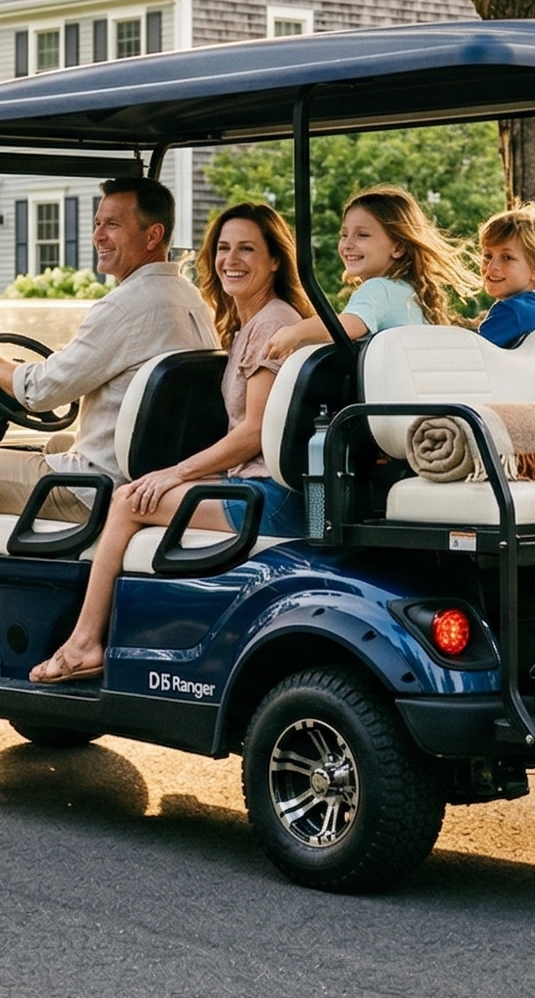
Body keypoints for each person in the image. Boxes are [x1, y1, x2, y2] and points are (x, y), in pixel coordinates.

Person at [0, 176, 212, 674]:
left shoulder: (123, 307)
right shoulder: (187, 297)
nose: (99, 235)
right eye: (97, 224)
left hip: (94, 488)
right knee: (57, 439)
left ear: (153, 235)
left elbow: (41, 389)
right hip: (143, 469)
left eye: (113, 225)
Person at [27, 203, 317, 685]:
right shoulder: (256, 322)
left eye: (247, 249)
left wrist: (177, 473)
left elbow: (252, 433)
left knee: (125, 499)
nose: (232, 260)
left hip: (267, 500)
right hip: (255, 486)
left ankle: (83, 644)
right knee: (141, 486)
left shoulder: (270, 326)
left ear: (274, 262)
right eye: (224, 248)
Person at [262, 185, 477, 358]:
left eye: (362, 235)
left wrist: (295, 332)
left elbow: (346, 327)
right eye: (344, 234)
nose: (347, 244)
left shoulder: (379, 289)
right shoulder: (406, 291)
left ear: (398, 247)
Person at [471, 203, 535, 348]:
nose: (491, 267)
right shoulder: (534, 307)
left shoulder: (512, 312)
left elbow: (474, 354)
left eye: (507, 257)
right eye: (488, 255)